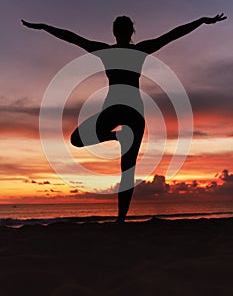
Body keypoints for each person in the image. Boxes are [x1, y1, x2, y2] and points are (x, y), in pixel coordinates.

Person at [22, 13, 226, 222]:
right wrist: (200, 21)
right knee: (118, 165)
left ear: (118, 32)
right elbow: (171, 35)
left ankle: (121, 219)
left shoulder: (111, 52)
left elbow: (74, 38)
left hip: (123, 111)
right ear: (130, 33)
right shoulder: (135, 51)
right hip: (128, 112)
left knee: (122, 166)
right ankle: (120, 210)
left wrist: (45, 26)